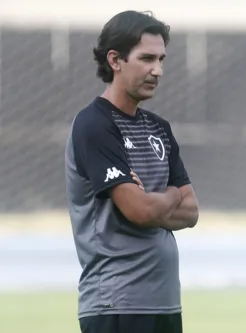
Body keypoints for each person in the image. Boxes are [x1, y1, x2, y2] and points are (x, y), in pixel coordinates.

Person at [64, 10, 199, 333]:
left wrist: (154, 200)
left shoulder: (159, 128)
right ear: (115, 60)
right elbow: (138, 210)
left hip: (165, 302)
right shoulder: (94, 125)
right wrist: (169, 194)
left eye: (162, 59)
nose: (158, 70)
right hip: (116, 305)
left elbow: (191, 212)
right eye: (147, 58)